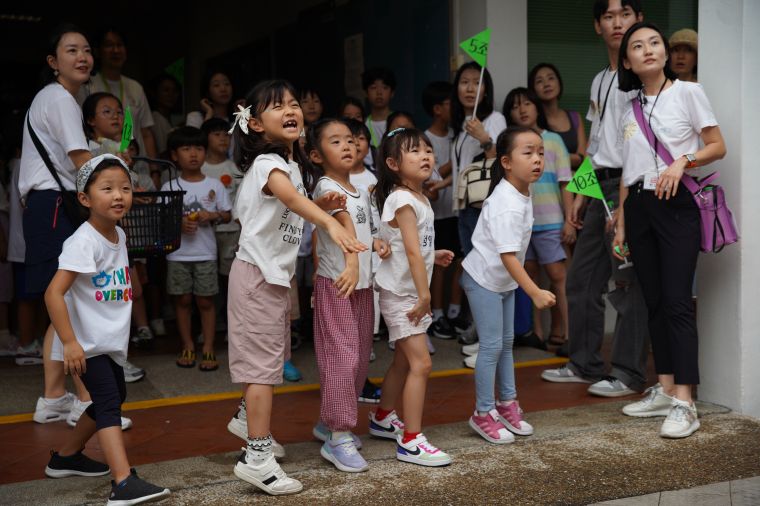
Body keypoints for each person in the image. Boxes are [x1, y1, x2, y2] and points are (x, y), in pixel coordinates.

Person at [227, 79, 366, 495]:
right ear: (254, 124)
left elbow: (290, 206)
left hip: (272, 279)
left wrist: (320, 207)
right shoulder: (269, 164)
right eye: (276, 107)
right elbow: (287, 199)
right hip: (256, 277)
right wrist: (327, 222)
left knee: (269, 364)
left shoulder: (288, 165)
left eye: (292, 103)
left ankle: (244, 419)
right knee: (262, 373)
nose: (289, 110)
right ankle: (257, 458)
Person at [613, 22, 726, 438]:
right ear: (627, 61)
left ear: (664, 53)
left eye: (654, 43)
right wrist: (622, 223)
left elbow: (717, 145)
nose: (648, 50)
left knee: (678, 301)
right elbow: (628, 174)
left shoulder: (688, 93)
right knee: (654, 301)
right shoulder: (629, 109)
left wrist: (682, 162)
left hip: (676, 204)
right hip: (640, 206)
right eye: (637, 46)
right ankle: (663, 387)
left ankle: (685, 400)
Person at [21, 24, 133, 430]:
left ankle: (54, 397)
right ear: (54, 62)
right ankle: (86, 403)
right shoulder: (60, 98)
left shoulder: (56, 97)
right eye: (71, 51)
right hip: (54, 202)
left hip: (47, 202)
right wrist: (119, 178)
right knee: (64, 296)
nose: (82, 56)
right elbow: (83, 161)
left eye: (86, 50)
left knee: (64, 302)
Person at [43, 154, 170, 505]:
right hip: (87, 341)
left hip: (106, 338)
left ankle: (65, 457)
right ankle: (123, 482)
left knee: (111, 397)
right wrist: (69, 343)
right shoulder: (84, 241)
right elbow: (53, 292)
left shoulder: (117, 233)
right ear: (85, 199)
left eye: (125, 188)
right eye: (108, 189)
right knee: (110, 402)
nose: (119, 196)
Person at [541, 0, 650, 399]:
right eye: (608, 16)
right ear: (597, 27)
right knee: (582, 279)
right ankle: (583, 362)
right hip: (598, 186)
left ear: (638, 19)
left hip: (631, 187)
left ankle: (628, 373)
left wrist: (627, 203)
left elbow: (645, 147)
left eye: (625, 14)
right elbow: (597, 146)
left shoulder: (645, 78)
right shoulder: (600, 80)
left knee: (627, 284)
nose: (617, 22)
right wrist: (578, 191)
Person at [463, 126, 556, 443]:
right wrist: (535, 291)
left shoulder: (521, 192)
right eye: (527, 152)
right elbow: (509, 257)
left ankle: (507, 403)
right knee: (491, 348)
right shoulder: (506, 202)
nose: (537, 159)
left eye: (540, 153)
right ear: (506, 161)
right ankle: (483, 412)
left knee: (505, 344)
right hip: (485, 280)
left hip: (501, 280)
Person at [308, 118, 390, 472]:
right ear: (315, 154)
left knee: (357, 357)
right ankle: (339, 435)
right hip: (338, 285)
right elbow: (338, 217)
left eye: (350, 140)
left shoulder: (360, 189)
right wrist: (329, 204)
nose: (347, 145)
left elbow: (361, 228)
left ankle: (329, 424)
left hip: (362, 286)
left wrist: (376, 242)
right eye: (335, 141)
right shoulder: (326, 187)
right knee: (342, 358)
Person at [369, 127, 454, 467]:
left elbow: (415, 250)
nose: (425, 156)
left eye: (427, 150)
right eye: (414, 151)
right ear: (392, 163)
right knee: (422, 363)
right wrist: (425, 295)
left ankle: (383, 416)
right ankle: (410, 441)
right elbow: (413, 255)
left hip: (407, 290)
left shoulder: (418, 197)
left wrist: (436, 255)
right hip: (404, 294)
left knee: (404, 362)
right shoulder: (402, 198)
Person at [81, 91, 156, 359]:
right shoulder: (91, 150)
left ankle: (136, 332)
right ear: (90, 120)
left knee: (132, 286)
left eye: (118, 111)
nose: (115, 116)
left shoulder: (122, 148)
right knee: (115, 288)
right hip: (105, 234)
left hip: (126, 233)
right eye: (106, 111)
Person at [504, 87, 573, 349]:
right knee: (529, 278)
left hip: (550, 221)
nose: (522, 110)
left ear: (537, 108)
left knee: (558, 276)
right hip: (521, 224)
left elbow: (566, 181)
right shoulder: (510, 143)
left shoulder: (553, 140)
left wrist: (569, 220)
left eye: (527, 104)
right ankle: (536, 334)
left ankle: (566, 334)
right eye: (515, 106)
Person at [161, 126, 231, 371]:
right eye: (186, 148)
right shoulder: (169, 186)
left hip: (205, 253)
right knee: (182, 300)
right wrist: (177, 223)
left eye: (199, 148)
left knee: (205, 302)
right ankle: (188, 345)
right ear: (174, 155)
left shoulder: (215, 185)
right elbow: (160, 220)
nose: (193, 154)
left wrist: (211, 215)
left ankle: (209, 347)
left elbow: (227, 214)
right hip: (177, 254)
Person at [421, 81, 464, 341]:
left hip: (456, 210)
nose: (456, 108)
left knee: (460, 261)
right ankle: (436, 314)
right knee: (439, 266)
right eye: (451, 104)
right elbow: (430, 174)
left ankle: (454, 310)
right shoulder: (427, 139)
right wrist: (456, 163)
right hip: (436, 213)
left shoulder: (457, 134)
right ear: (438, 109)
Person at [80, 28, 158, 162]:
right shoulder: (86, 85)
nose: (115, 50)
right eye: (109, 45)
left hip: (137, 161)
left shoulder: (135, 87)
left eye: (119, 45)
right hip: (100, 159)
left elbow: (146, 133)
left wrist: (154, 170)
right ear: (98, 51)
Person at [200, 118, 242, 329]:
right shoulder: (201, 168)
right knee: (207, 279)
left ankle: (229, 323)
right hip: (203, 232)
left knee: (229, 279)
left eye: (226, 134)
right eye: (217, 134)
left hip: (231, 231)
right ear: (205, 138)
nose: (223, 138)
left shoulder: (232, 167)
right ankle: (210, 322)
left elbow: (242, 201)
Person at [529, 63, 587, 170]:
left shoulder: (575, 117)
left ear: (559, 83)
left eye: (551, 78)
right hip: (548, 182)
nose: (546, 84)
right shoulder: (533, 122)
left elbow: (583, 158)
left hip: (576, 183)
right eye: (539, 81)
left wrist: (554, 156)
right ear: (533, 89)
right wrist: (572, 158)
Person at [362, 67, 396, 151]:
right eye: (373, 87)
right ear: (366, 93)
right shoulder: (362, 124)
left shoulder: (399, 122)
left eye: (385, 87)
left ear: (392, 93)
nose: (379, 92)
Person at [148, 73, 182, 155]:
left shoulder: (167, 118)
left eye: (175, 91)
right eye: (166, 90)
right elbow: (163, 150)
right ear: (155, 93)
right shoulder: (156, 119)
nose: (171, 95)